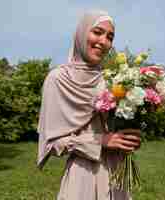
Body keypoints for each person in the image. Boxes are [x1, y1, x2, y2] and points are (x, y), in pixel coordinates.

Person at [37, 10, 141, 200]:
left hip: (116, 175)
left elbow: (115, 127)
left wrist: (128, 136)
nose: (103, 41)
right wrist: (100, 141)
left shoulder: (111, 79)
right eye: (97, 32)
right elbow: (52, 143)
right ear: (81, 33)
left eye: (110, 37)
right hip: (83, 177)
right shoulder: (58, 79)